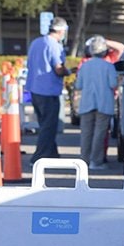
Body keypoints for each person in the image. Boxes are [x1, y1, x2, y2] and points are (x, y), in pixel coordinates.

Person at [25, 17, 73, 165]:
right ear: (60, 30)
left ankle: (52, 153)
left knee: (44, 123)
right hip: (49, 91)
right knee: (49, 126)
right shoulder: (54, 45)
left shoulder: (36, 42)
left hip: (35, 89)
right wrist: (69, 72)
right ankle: (39, 157)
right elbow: (58, 69)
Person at [75, 35, 118, 170]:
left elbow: (78, 85)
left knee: (86, 133)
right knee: (100, 133)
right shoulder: (109, 66)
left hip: (87, 102)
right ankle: (96, 161)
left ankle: (84, 161)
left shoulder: (84, 66)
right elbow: (113, 84)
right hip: (104, 103)